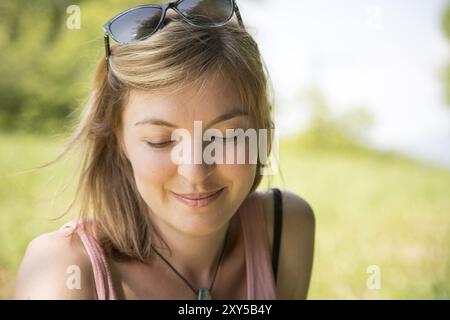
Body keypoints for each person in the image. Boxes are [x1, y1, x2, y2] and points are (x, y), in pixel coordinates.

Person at [15, 0, 315, 300]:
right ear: (117, 141)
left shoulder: (286, 229)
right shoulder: (62, 270)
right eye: (160, 140)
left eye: (226, 137)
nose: (195, 171)